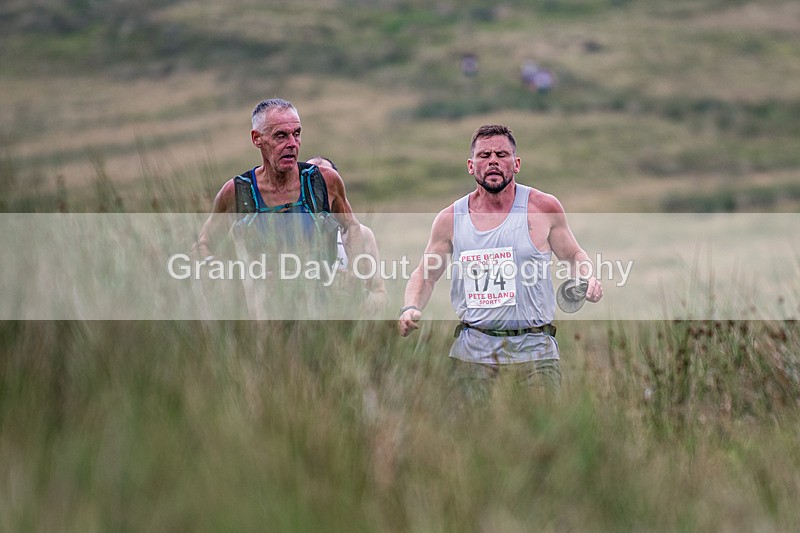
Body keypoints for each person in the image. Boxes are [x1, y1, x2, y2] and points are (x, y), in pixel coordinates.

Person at [397, 124, 602, 399]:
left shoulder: (543, 208)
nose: (493, 161)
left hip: (535, 353)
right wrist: (410, 307)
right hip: (472, 355)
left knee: (540, 439)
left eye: (501, 154)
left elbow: (574, 255)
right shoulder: (450, 219)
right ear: (471, 166)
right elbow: (426, 274)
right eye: (484, 155)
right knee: (468, 439)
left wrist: (588, 278)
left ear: (516, 164)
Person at [194, 98, 364, 317]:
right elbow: (203, 246)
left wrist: (353, 271)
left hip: (322, 313)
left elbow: (351, 226)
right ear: (257, 139)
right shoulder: (238, 192)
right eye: (281, 136)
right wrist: (232, 277)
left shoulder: (324, 181)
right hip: (262, 318)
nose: (292, 143)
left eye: (297, 133)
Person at [305, 155, 387, 312]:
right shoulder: (285, 232)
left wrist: (357, 293)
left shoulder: (362, 235)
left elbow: (380, 295)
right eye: (312, 181)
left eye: (328, 182)